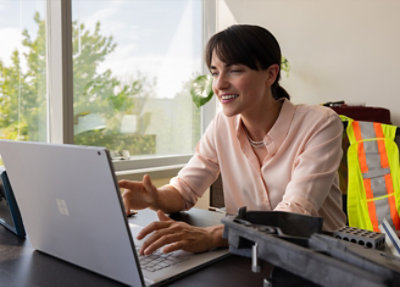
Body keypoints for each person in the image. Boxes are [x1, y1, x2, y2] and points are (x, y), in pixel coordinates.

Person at [119, 24, 346, 256]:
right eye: (215, 72)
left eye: (235, 70)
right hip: (249, 256)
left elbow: (295, 214)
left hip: (319, 260)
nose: (219, 85)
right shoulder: (222, 125)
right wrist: (155, 197)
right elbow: (185, 189)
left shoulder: (320, 123)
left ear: (271, 74)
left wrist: (214, 235)